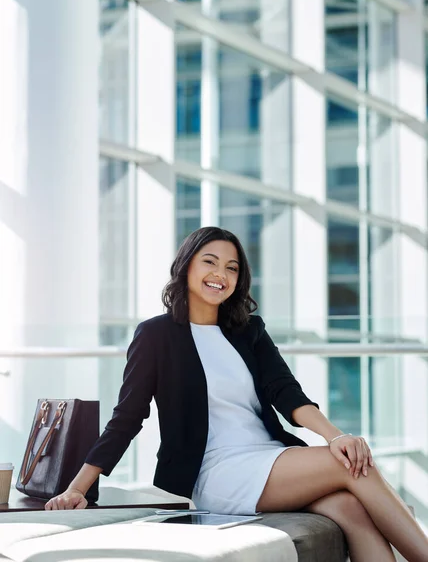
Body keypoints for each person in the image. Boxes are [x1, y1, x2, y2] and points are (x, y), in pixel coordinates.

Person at [46, 226, 428, 561]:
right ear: (187, 266)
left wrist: (336, 436)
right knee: (350, 464)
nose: (220, 274)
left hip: (271, 457)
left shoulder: (249, 330)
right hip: (217, 470)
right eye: (209, 262)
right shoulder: (156, 335)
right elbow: (127, 418)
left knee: (351, 509)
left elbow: (288, 394)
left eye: (232, 267)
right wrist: (77, 488)